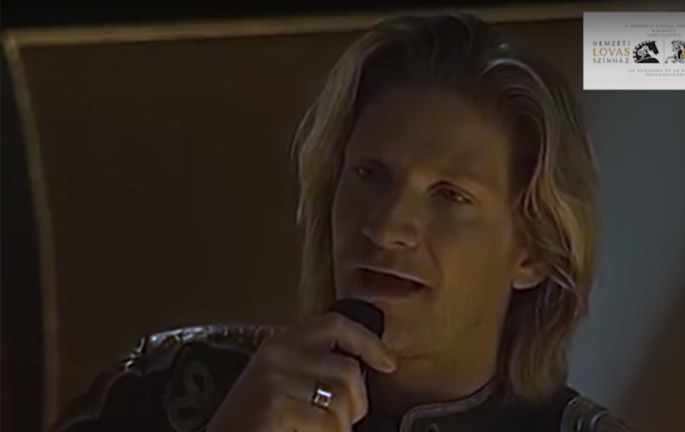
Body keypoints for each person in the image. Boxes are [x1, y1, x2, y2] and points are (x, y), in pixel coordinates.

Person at [54, 12, 634, 432]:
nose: (385, 228)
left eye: (450, 195)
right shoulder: (173, 384)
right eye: (369, 175)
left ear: (533, 252)